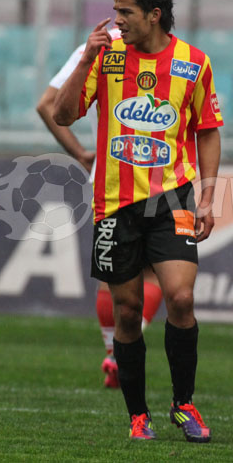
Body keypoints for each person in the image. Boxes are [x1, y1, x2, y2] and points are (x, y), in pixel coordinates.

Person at [53, 0, 222, 442]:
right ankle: (137, 416)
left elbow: (207, 129)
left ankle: (184, 404)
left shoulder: (194, 63)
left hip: (174, 197)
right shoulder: (105, 58)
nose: (116, 19)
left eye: (125, 11)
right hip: (113, 202)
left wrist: (208, 194)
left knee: (181, 299)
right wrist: (86, 60)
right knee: (127, 312)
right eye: (115, 8)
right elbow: (63, 114)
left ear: (154, 15)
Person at [35, 34, 164, 390]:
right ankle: (120, 354)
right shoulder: (169, 48)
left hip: (108, 175)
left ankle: (114, 352)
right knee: (153, 270)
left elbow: (46, 104)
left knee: (113, 272)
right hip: (158, 175)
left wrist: (80, 153)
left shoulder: (97, 47)